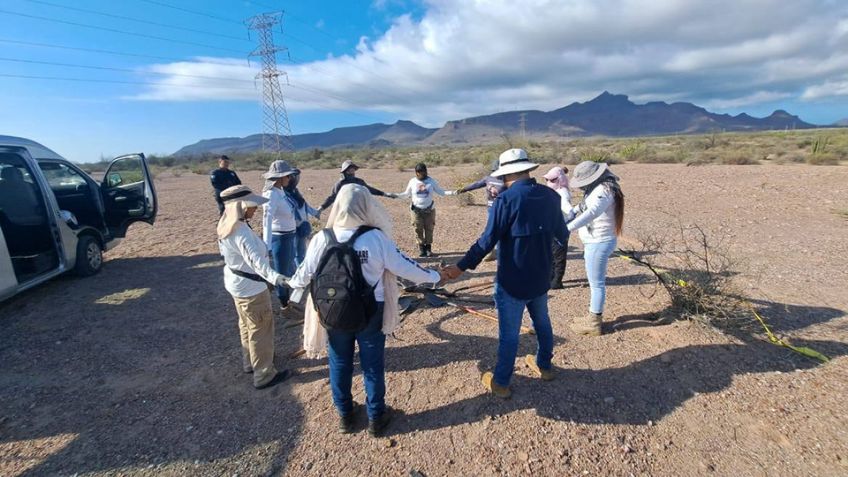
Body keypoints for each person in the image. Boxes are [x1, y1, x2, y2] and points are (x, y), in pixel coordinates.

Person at [289, 184, 444, 436]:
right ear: (366, 206)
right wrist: (435, 276)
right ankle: (376, 417)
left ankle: (345, 416)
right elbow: (405, 267)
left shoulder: (320, 239)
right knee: (372, 365)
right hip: (372, 311)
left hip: (332, 311)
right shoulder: (375, 238)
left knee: (339, 361)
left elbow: (302, 276)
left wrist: (283, 286)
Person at [442, 148, 569, 399]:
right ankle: (545, 366)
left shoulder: (506, 200)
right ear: (527, 169)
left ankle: (500, 382)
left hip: (512, 283)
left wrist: (459, 268)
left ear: (505, 174)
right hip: (541, 278)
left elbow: (486, 241)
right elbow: (562, 236)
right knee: (542, 322)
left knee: (509, 335)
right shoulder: (551, 197)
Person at [217, 185, 291, 390]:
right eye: (251, 205)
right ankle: (264, 374)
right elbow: (257, 263)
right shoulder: (241, 232)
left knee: (246, 324)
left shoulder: (225, 225)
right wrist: (278, 279)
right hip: (251, 289)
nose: (255, 209)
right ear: (240, 207)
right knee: (261, 328)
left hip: (237, 286)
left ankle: (250, 362)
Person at [565, 161, 625, 337]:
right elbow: (584, 207)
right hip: (596, 241)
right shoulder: (600, 188)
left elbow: (592, 212)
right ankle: (592, 316)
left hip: (599, 242)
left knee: (596, 284)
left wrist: (566, 228)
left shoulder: (604, 190)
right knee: (595, 283)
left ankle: (594, 322)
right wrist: (571, 211)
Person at [394, 162, 454, 257]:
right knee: (418, 228)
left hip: (429, 210)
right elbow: (406, 194)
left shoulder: (431, 181)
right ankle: (422, 249)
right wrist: (393, 195)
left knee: (429, 229)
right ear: (417, 173)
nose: (424, 174)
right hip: (416, 211)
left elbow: (441, 192)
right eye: (421, 172)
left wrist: (454, 192)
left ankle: (428, 248)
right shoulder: (412, 181)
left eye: (425, 171)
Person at [261, 160, 298, 309]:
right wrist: (267, 245)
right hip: (280, 238)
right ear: (279, 177)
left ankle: (286, 299)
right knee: (281, 271)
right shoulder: (271, 194)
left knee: (287, 269)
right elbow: (266, 220)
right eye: (287, 176)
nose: (290, 178)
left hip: (289, 236)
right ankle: (284, 304)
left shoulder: (280, 191)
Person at [454, 159, 506, 261]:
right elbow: (476, 184)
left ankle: (500, 254)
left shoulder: (506, 180)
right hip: (491, 210)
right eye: (494, 170)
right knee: (490, 231)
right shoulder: (488, 179)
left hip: (503, 210)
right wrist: (464, 189)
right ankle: (492, 252)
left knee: (501, 231)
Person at [317, 160, 396, 213]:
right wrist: (321, 208)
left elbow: (369, 190)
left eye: (353, 169)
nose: (352, 171)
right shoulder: (340, 184)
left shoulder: (359, 181)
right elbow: (332, 197)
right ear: (345, 171)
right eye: (350, 169)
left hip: (360, 209)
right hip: (344, 211)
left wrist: (384, 194)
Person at [542, 166, 572, 289]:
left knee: (559, 256)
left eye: (552, 180)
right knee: (552, 254)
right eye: (547, 180)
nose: (549, 183)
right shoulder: (556, 191)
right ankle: (551, 277)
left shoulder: (562, 193)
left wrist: (563, 223)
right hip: (553, 228)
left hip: (559, 230)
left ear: (560, 180)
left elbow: (569, 210)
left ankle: (557, 281)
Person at [285, 168, 320, 266]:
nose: (295, 179)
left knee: (301, 253)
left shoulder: (295, 191)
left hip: (303, 226)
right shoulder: (284, 193)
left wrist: (316, 213)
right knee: (297, 254)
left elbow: (304, 205)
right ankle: (298, 274)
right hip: (294, 227)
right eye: (293, 176)